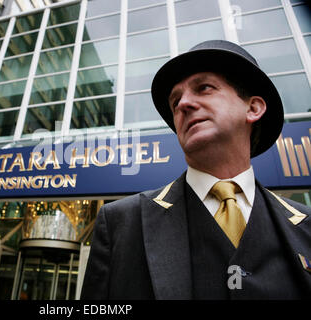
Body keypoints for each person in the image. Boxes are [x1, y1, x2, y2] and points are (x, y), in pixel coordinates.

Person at [80, 40, 311, 300]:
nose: (183, 104)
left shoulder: (307, 225)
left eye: (204, 88)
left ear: (253, 108)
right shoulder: (120, 223)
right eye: (175, 100)